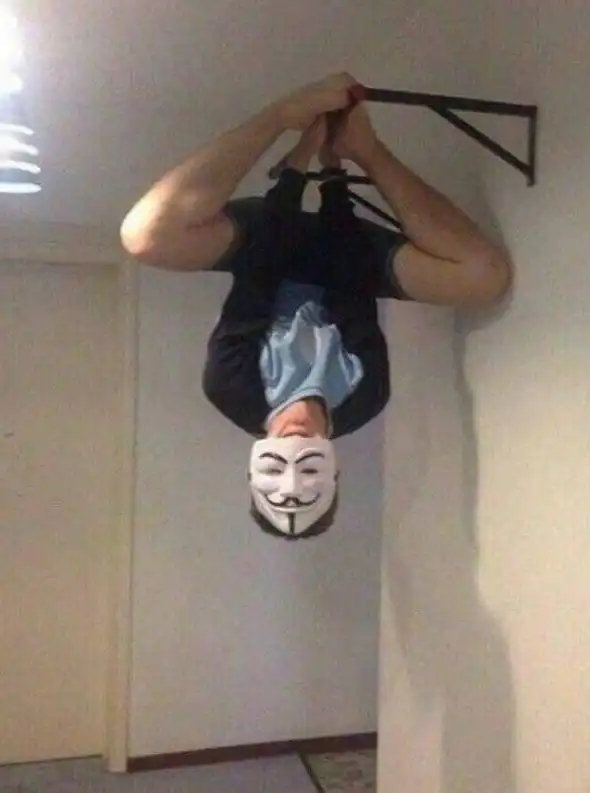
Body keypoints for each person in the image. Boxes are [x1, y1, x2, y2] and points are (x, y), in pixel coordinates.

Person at [120, 73, 511, 540]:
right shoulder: (364, 397)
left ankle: (278, 115)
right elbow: (353, 288)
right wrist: (334, 174)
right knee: (483, 277)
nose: (293, 456)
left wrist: (297, 166)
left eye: (274, 472)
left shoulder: (232, 389)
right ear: (334, 471)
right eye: (309, 474)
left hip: (264, 250)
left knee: (144, 237)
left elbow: (257, 280)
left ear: (254, 469)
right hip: (343, 263)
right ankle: (365, 147)